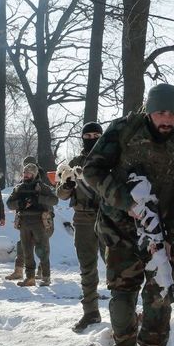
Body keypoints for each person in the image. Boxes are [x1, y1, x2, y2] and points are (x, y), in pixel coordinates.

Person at [84, 83, 174, 346]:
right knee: (121, 300)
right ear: (150, 110)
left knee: (159, 300)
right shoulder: (124, 130)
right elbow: (92, 170)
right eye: (161, 112)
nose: (167, 119)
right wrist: (127, 202)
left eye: (173, 114)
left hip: (161, 237)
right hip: (120, 233)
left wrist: (172, 229)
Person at [57, 121, 106, 332]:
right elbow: (60, 194)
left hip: (108, 218)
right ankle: (91, 313)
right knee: (87, 268)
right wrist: (67, 186)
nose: (92, 139)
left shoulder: (111, 159)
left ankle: (124, 313)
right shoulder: (75, 163)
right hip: (84, 219)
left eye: (96, 135)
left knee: (115, 267)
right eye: (88, 136)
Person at [6, 162, 58, 286]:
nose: (25, 175)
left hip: (39, 222)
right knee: (27, 250)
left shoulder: (42, 187)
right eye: (24, 172)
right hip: (24, 222)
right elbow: (9, 203)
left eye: (28, 173)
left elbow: (54, 200)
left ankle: (46, 276)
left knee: (42, 250)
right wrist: (20, 203)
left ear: (34, 174)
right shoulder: (19, 188)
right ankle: (30, 278)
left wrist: (38, 199)